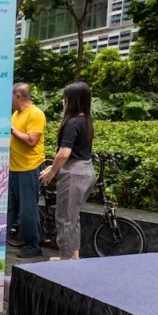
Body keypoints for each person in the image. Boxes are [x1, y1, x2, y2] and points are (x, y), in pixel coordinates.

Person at [40, 82, 96, 261]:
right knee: (73, 217)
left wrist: (52, 172)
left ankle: (65, 258)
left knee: (65, 217)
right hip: (85, 170)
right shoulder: (86, 120)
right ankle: (73, 256)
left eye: (65, 98)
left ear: (71, 101)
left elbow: (64, 153)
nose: (63, 102)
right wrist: (53, 166)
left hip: (74, 174)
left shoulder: (72, 123)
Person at [8, 83, 47, 258]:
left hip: (29, 167)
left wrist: (11, 130)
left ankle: (33, 245)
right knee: (11, 207)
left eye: (10, 97)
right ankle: (3, 240)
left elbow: (31, 140)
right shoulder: (16, 114)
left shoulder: (36, 114)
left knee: (27, 209)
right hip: (14, 167)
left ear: (18, 96)